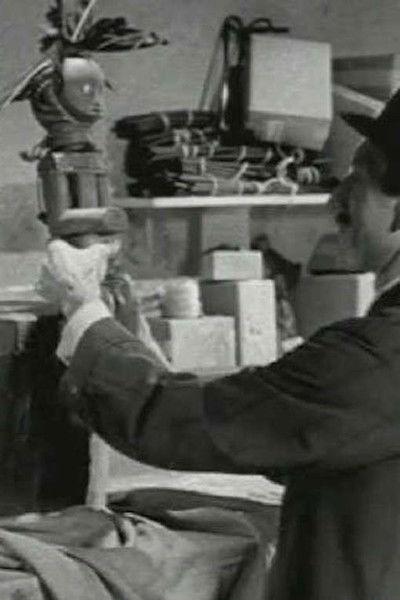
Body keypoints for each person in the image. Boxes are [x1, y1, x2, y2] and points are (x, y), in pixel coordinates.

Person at [38, 89, 400, 600]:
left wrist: (81, 306)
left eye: (356, 181)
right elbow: (283, 423)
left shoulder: (379, 355)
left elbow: (177, 416)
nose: (334, 200)